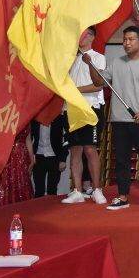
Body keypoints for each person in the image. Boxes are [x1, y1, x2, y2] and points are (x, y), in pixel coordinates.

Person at [85, 26, 139, 211]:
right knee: (121, 160)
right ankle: (123, 196)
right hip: (119, 120)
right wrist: (90, 65)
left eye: (131, 39)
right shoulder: (116, 63)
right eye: (125, 39)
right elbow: (98, 82)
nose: (127, 43)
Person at [61, 27, 108, 205]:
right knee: (75, 150)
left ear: (92, 37)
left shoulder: (97, 57)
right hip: (71, 109)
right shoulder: (70, 59)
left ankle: (97, 189)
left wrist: (74, 90)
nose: (80, 37)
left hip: (90, 108)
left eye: (84, 34)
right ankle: (77, 191)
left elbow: (98, 85)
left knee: (90, 149)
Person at [0, 125, 33, 208]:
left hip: (22, 160)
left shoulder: (27, 120)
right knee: (4, 187)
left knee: (21, 186)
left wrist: (32, 160)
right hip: (7, 158)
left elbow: (28, 140)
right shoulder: (4, 118)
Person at [30, 114, 67, 198]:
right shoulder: (35, 119)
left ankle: (52, 206)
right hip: (38, 156)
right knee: (39, 190)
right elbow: (30, 138)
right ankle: (38, 206)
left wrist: (63, 159)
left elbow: (65, 139)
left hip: (55, 157)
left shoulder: (59, 118)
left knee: (52, 189)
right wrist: (31, 156)